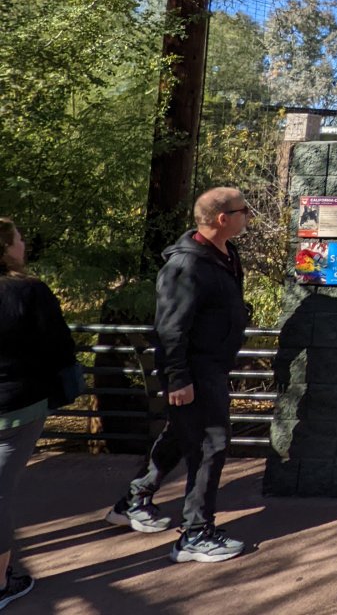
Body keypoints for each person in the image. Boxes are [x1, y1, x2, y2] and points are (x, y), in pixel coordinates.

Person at [106, 189, 251, 563]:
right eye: (244, 211)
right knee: (210, 444)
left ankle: (134, 500)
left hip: (212, 365)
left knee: (180, 435)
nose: (248, 216)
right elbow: (171, 329)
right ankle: (195, 535)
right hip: (195, 369)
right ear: (222, 218)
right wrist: (178, 378)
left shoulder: (226, 254)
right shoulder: (185, 266)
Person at [0, 218, 78, 609]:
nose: (24, 244)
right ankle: (1, 583)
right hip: (17, 409)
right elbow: (59, 347)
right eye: (18, 238)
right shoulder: (28, 292)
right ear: (5, 248)